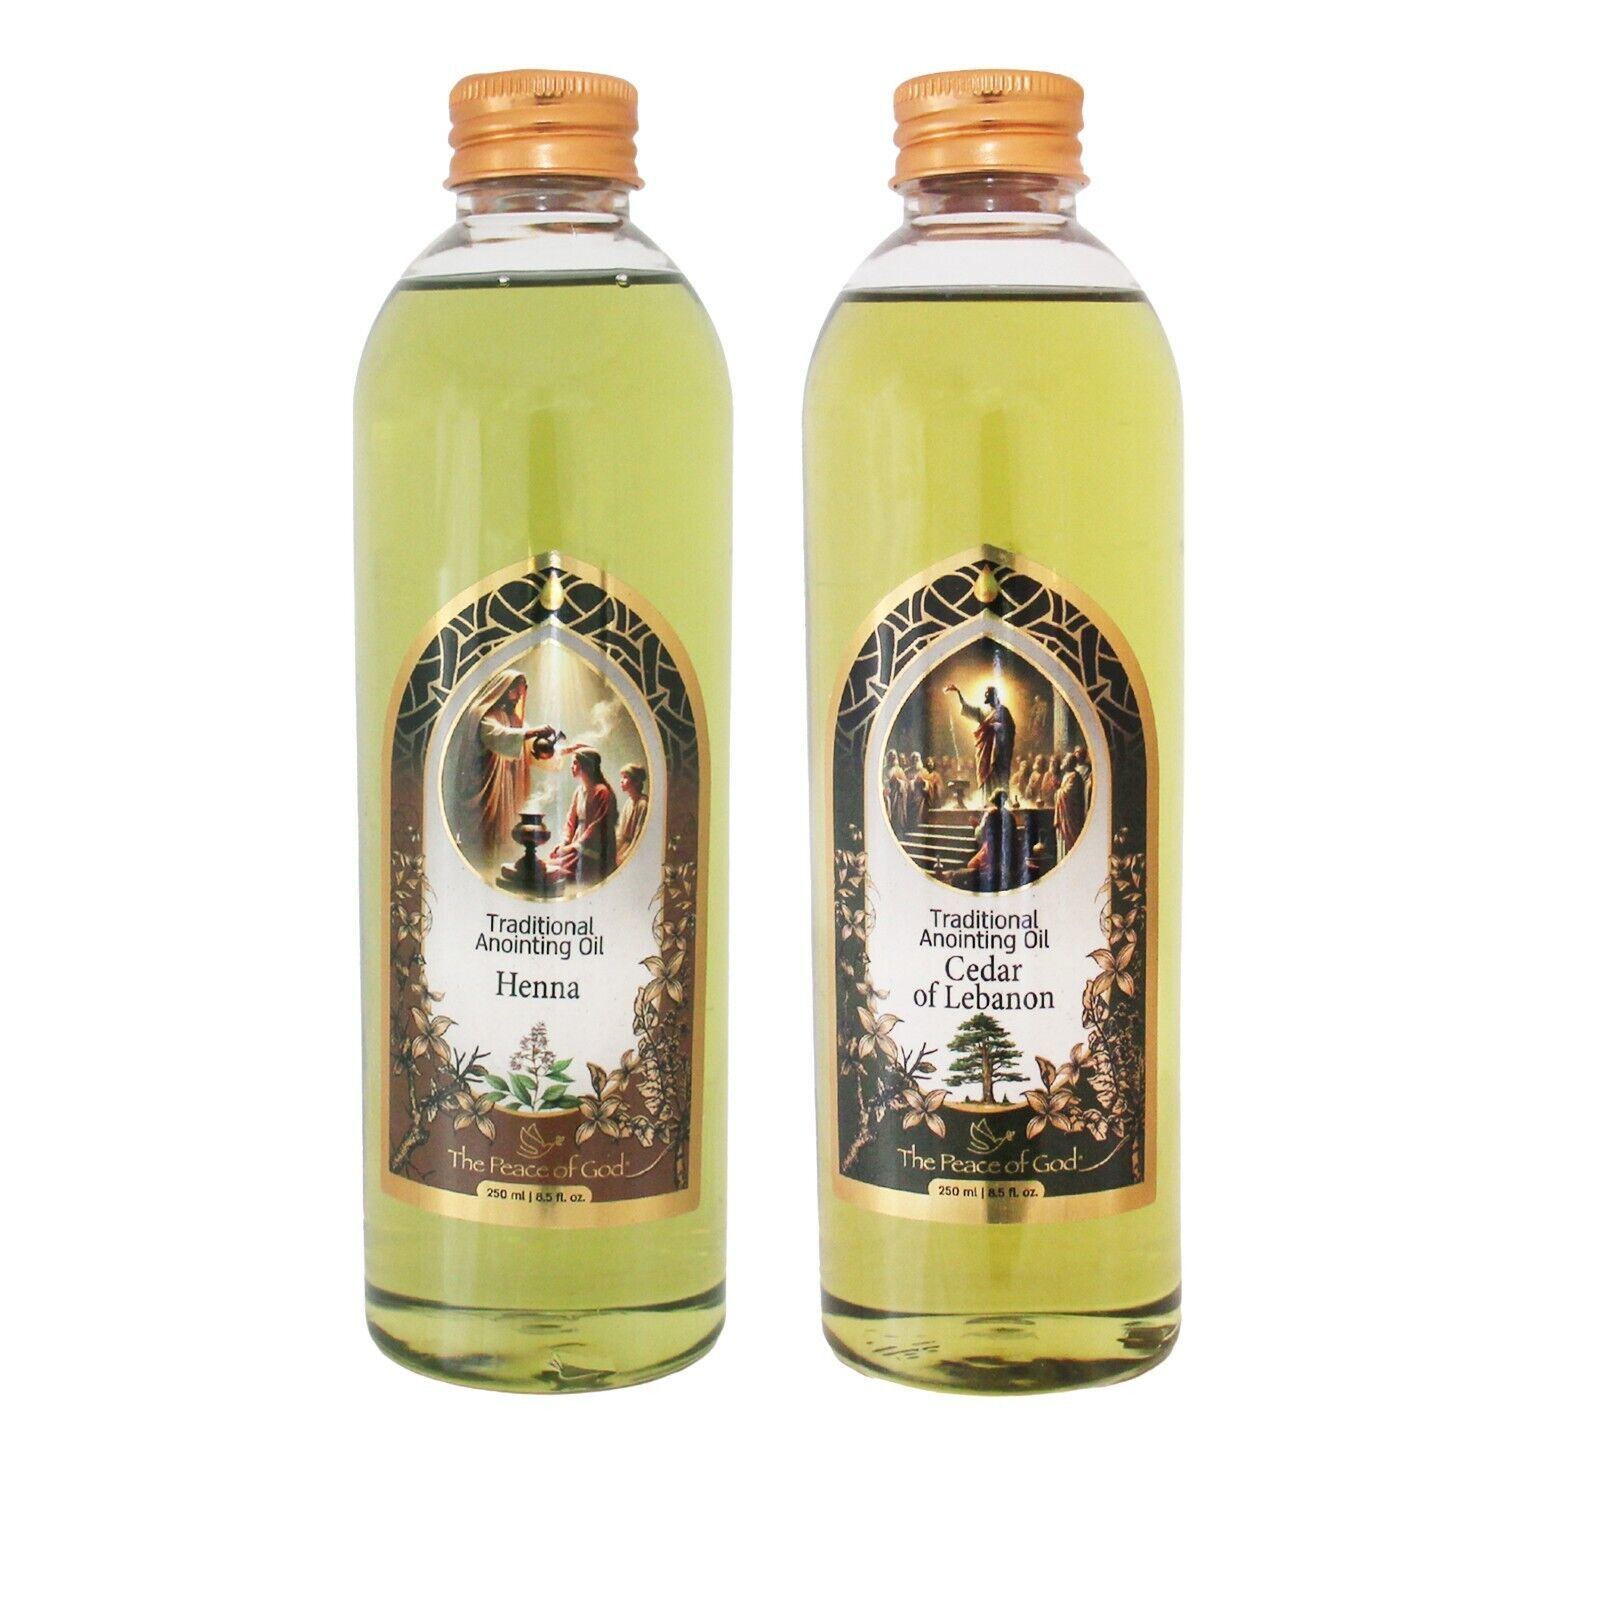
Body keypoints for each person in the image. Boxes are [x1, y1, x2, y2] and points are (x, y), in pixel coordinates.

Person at [459, 669, 558, 867]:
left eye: (521, 693)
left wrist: (561, 750)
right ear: (503, 689)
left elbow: (530, 748)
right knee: (486, 839)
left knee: (504, 833)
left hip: (506, 787)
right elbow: (497, 735)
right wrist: (531, 732)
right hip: (488, 787)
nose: (518, 698)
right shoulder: (483, 714)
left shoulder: (513, 719)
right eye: (515, 692)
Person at [545, 746, 618, 887]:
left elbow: (597, 826)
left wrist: (572, 847)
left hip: (593, 851)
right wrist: (565, 842)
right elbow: (571, 821)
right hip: (577, 844)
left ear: (586, 765)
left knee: (554, 871)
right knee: (548, 863)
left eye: (575, 763)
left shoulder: (602, 791)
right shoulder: (579, 791)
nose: (571, 767)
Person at [945, 682, 1016, 796]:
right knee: (985, 776)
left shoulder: (1003, 711)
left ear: (993, 695)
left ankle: (1000, 800)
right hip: (984, 751)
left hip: (998, 753)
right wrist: (958, 693)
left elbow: (1010, 729)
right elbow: (968, 709)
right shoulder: (983, 711)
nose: (985, 696)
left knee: (997, 776)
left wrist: (998, 727)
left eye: (987, 694)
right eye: (985, 694)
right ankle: (987, 800)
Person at [948, 791, 1023, 892]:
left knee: (963, 873)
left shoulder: (990, 815)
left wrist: (976, 826)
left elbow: (980, 836)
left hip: (993, 859)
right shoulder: (1010, 816)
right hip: (1007, 857)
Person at [1055, 750, 1088, 855]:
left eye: (1065, 759)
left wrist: (1058, 792)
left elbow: (1068, 794)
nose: (1063, 761)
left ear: (1069, 762)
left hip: (1071, 817)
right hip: (1064, 815)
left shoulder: (1074, 776)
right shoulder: (1067, 775)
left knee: (1070, 843)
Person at [617, 763, 649, 862]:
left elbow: (639, 837)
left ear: (636, 781)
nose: (621, 781)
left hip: (636, 851)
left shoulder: (643, 804)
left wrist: (624, 857)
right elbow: (620, 834)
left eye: (625, 777)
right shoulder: (628, 803)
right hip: (625, 847)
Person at [884, 748, 908, 834]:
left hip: (898, 798)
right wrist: (888, 782)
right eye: (891, 756)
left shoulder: (899, 770)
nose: (893, 757)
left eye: (894, 755)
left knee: (897, 818)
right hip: (887, 795)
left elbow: (905, 784)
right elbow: (882, 781)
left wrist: (899, 782)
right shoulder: (884, 770)